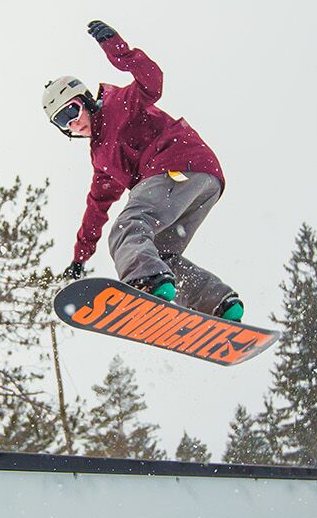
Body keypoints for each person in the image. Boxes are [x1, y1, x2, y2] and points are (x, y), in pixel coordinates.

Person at [43, 20, 243, 322]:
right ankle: (218, 303)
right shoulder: (102, 160)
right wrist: (79, 260)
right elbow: (95, 210)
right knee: (159, 254)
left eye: (73, 110)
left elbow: (152, 80)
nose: (73, 123)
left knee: (128, 227)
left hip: (177, 165)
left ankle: (146, 282)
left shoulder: (118, 103)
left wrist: (116, 48)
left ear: (85, 99)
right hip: (202, 183)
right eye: (63, 121)